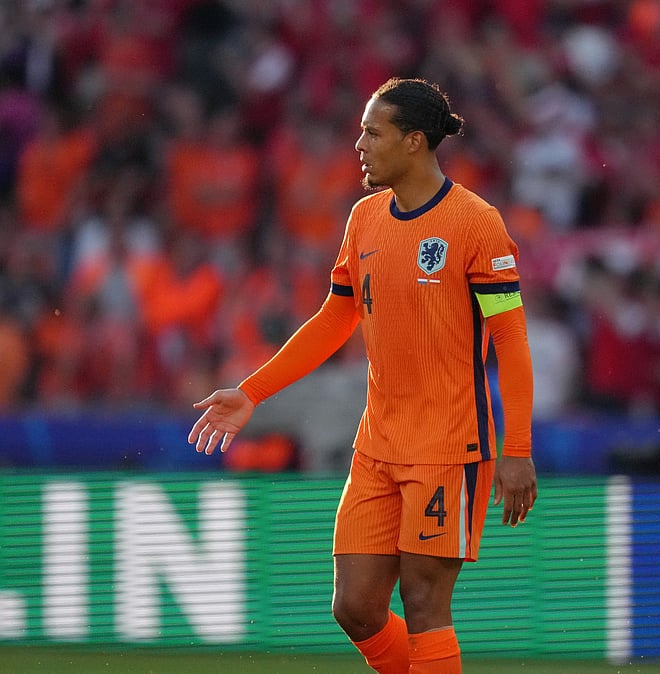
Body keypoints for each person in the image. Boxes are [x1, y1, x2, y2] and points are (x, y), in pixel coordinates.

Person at [188, 77, 537, 674]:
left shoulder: (475, 224)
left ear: (413, 142)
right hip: (377, 442)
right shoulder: (365, 218)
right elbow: (334, 319)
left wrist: (518, 448)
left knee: (425, 601)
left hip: (449, 444)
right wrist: (251, 393)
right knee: (355, 606)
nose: (359, 144)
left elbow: (510, 340)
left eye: (373, 132)